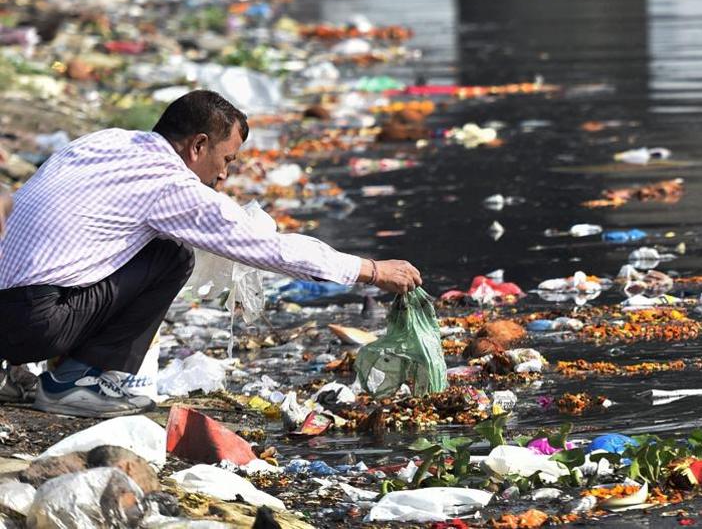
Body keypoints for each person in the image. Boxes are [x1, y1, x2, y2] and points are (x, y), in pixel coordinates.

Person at [0, 90, 422, 418]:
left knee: (137, 247)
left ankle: (26, 371)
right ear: (197, 145)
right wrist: (370, 270)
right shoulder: (169, 183)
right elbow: (269, 250)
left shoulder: (106, 141)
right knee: (173, 253)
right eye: (227, 159)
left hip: (10, 312)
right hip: (38, 322)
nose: (224, 174)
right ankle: (74, 383)